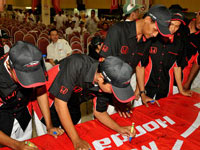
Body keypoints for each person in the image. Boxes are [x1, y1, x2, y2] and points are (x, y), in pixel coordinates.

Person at [44, 54, 136, 150]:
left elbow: (100, 112)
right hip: (48, 104)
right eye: (114, 90)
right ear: (101, 78)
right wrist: (76, 140)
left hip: (73, 103)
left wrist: (119, 129)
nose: (115, 94)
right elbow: (60, 104)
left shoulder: (105, 83)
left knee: (69, 141)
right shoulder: (77, 64)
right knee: (49, 142)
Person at [99, 5, 171, 113]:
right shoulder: (118, 30)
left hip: (124, 90)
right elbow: (103, 65)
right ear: (147, 19)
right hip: (107, 91)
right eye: (155, 30)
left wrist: (142, 93)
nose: (155, 35)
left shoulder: (147, 39)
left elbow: (140, 66)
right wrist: (117, 100)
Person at [0, 41, 64, 150]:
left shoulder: (37, 62)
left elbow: (40, 91)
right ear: (10, 67)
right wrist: (16, 145)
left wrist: (49, 126)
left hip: (24, 113)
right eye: (24, 77)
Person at [141, 9, 192, 106]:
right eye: (171, 24)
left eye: (177, 26)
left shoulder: (179, 43)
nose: (173, 29)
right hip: (147, 87)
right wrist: (139, 90)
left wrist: (181, 90)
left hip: (166, 88)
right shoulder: (152, 37)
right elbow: (141, 65)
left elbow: (177, 67)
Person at [182, 11, 200, 90]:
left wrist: (188, 82)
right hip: (165, 74)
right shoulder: (181, 24)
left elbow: (197, 62)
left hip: (183, 77)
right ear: (198, 14)